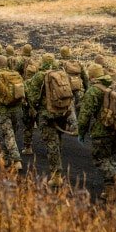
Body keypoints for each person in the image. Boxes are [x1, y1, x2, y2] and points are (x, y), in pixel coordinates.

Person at [78, 64, 116, 202]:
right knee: (109, 158)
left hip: (102, 132)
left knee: (100, 159)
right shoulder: (115, 86)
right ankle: (109, 192)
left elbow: (85, 114)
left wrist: (81, 132)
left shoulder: (93, 91)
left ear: (92, 76)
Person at [26, 53, 70, 187]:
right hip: (62, 112)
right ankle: (58, 163)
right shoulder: (61, 73)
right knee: (57, 139)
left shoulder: (40, 76)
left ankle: (56, 177)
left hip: (47, 114)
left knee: (51, 143)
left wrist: (36, 108)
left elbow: (33, 97)